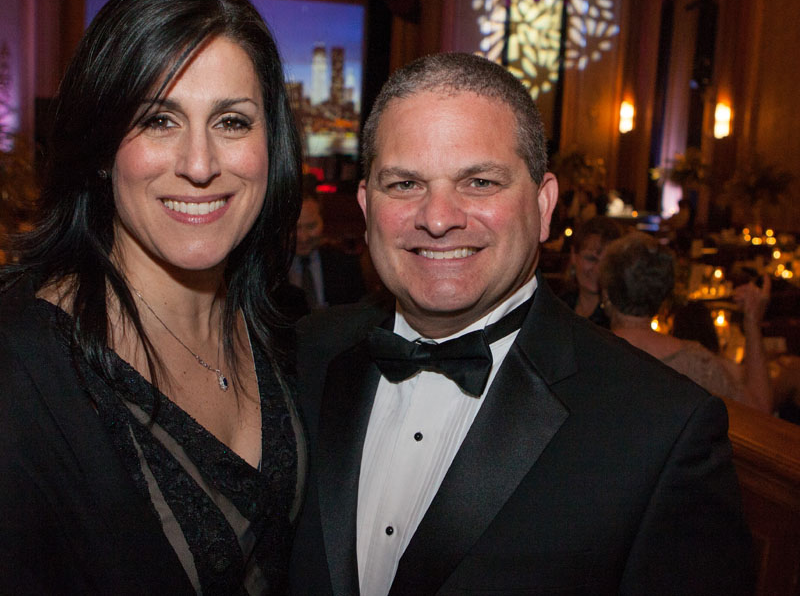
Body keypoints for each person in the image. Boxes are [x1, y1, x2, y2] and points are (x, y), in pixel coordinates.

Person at [0, 0, 306, 594]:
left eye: (231, 121)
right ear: (101, 147)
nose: (201, 164)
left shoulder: (278, 329)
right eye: (158, 120)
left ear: (271, 142)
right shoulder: (11, 371)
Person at [289, 53, 753, 595]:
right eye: (405, 184)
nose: (438, 218)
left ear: (544, 204)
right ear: (367, 207)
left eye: (480, 181)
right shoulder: (302, 354)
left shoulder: (661, 430)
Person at [600, 232, 773, 412]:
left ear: (606, 294)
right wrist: (752, 322)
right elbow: (759, 411)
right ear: (664, 297)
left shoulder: (585, 352)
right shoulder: (697, 364)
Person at [289, 190, 366, 312]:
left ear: (323, 221)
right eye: (295, 228)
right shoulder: (268, 271)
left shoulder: (346, 265)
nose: (303, 237)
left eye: (311, 226)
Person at [557, 214, 623, 327]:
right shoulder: (558, 307)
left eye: (606, 262)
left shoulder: (621, 317)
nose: (598, 269)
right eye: (591, 259)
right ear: (573, 255)